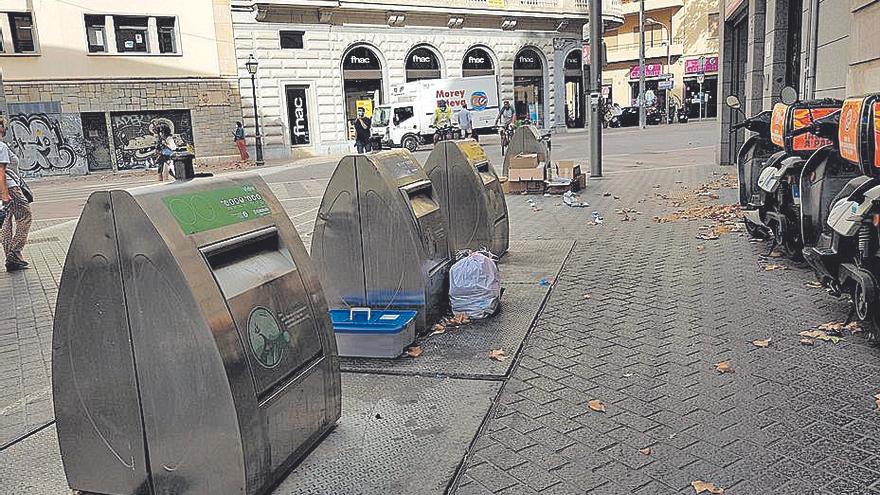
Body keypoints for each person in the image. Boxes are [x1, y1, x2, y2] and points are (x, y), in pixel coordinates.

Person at [0, 116, 32, 272]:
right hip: (10, 188)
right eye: (4, 126)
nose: (5, 129)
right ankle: (14, 251)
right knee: (25, 216)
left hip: (3, 188)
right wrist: (5, 194)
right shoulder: (1, 146)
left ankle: (11, 258)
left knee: (6, 221)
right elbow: (1, 171)